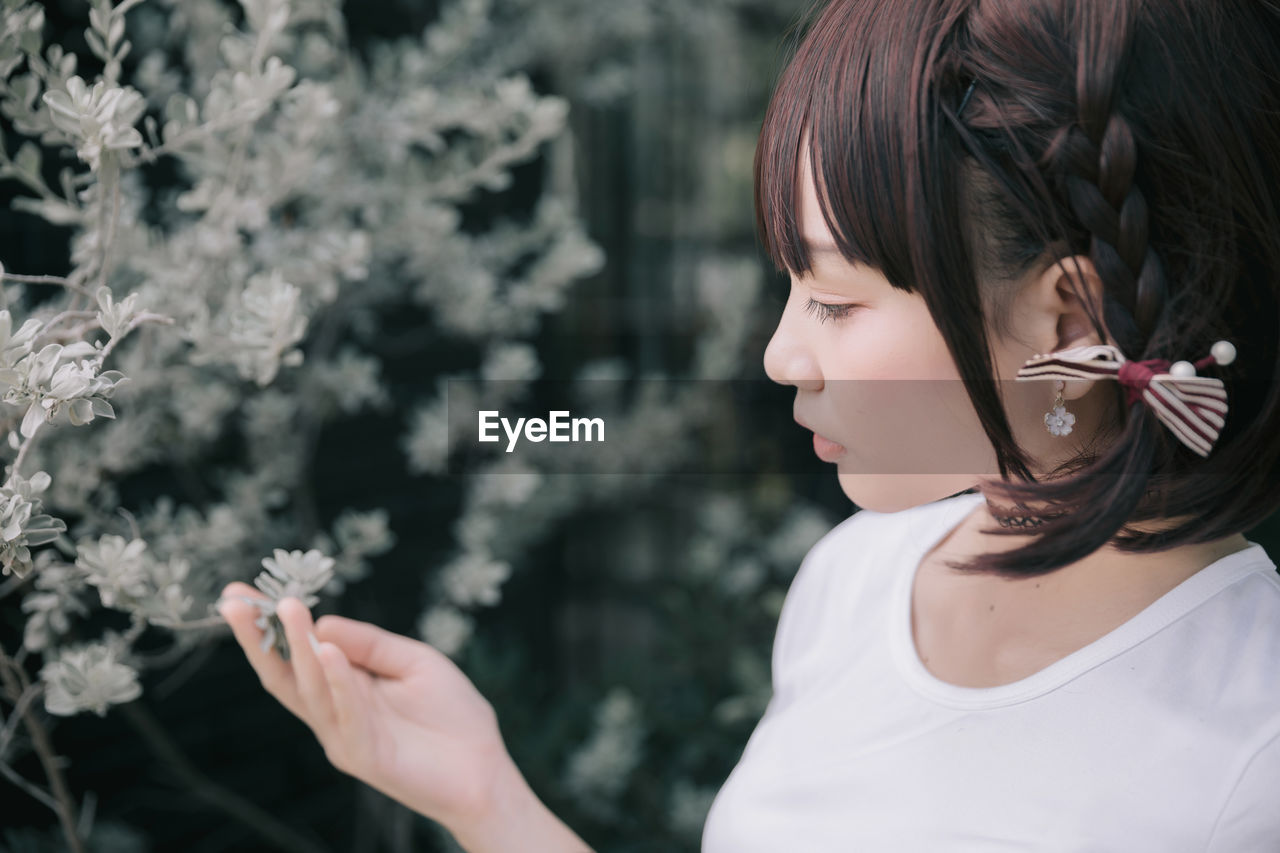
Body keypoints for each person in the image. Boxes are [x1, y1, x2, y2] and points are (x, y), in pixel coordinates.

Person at [220, 0, 1280, 849]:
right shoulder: (855, 584)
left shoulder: (1247, 747)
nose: (779, 353)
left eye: (832, 298)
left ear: (1072, 315)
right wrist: (486, 799)